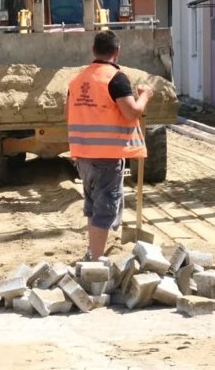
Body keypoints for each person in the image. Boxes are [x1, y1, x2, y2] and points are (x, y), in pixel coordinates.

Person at [67, 30, 153, 260]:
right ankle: (96, 260)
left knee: (93, 204)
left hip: (82, 154)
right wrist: (145, 96)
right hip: (106, 156)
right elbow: (131, 112)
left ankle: (92, 251)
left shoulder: (78, 79)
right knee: (105, 208)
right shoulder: (116, 78)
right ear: (117, 51)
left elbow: (73, 112)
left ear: (94, 51)